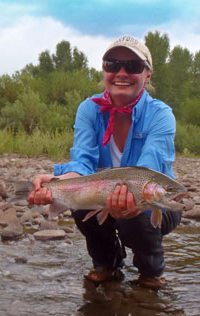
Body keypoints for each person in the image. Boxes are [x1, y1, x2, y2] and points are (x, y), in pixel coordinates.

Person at [28, 35, 182, 289]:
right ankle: (106, 264)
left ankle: (150, 270)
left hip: (156, 204)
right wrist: (56, 183)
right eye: (112, 64)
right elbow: (82, 165)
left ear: (147, 75)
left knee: (134, 216)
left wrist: (132, 202)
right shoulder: (89, 109)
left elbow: (149, 170)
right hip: (103, 194)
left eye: (132, 66)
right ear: (104, 70)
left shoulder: (161, 115)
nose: (121, 72)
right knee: (81, 204)